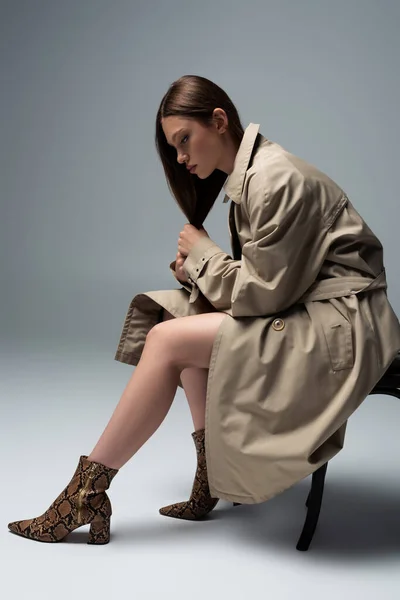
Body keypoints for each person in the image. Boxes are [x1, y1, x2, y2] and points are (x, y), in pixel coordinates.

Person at [8, 75, 400, 544]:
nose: (180, 157)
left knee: (165, 340)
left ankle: (85, 493)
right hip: (314, 311)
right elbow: (269, 280)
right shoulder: (254, 177)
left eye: (184, 140)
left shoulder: (275, 178)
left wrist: (202, 254)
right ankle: (207, 479)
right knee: (179, 319)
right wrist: (198, 270)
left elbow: (266, 294)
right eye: (174, 147)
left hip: (344, 327)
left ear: (219, 121)